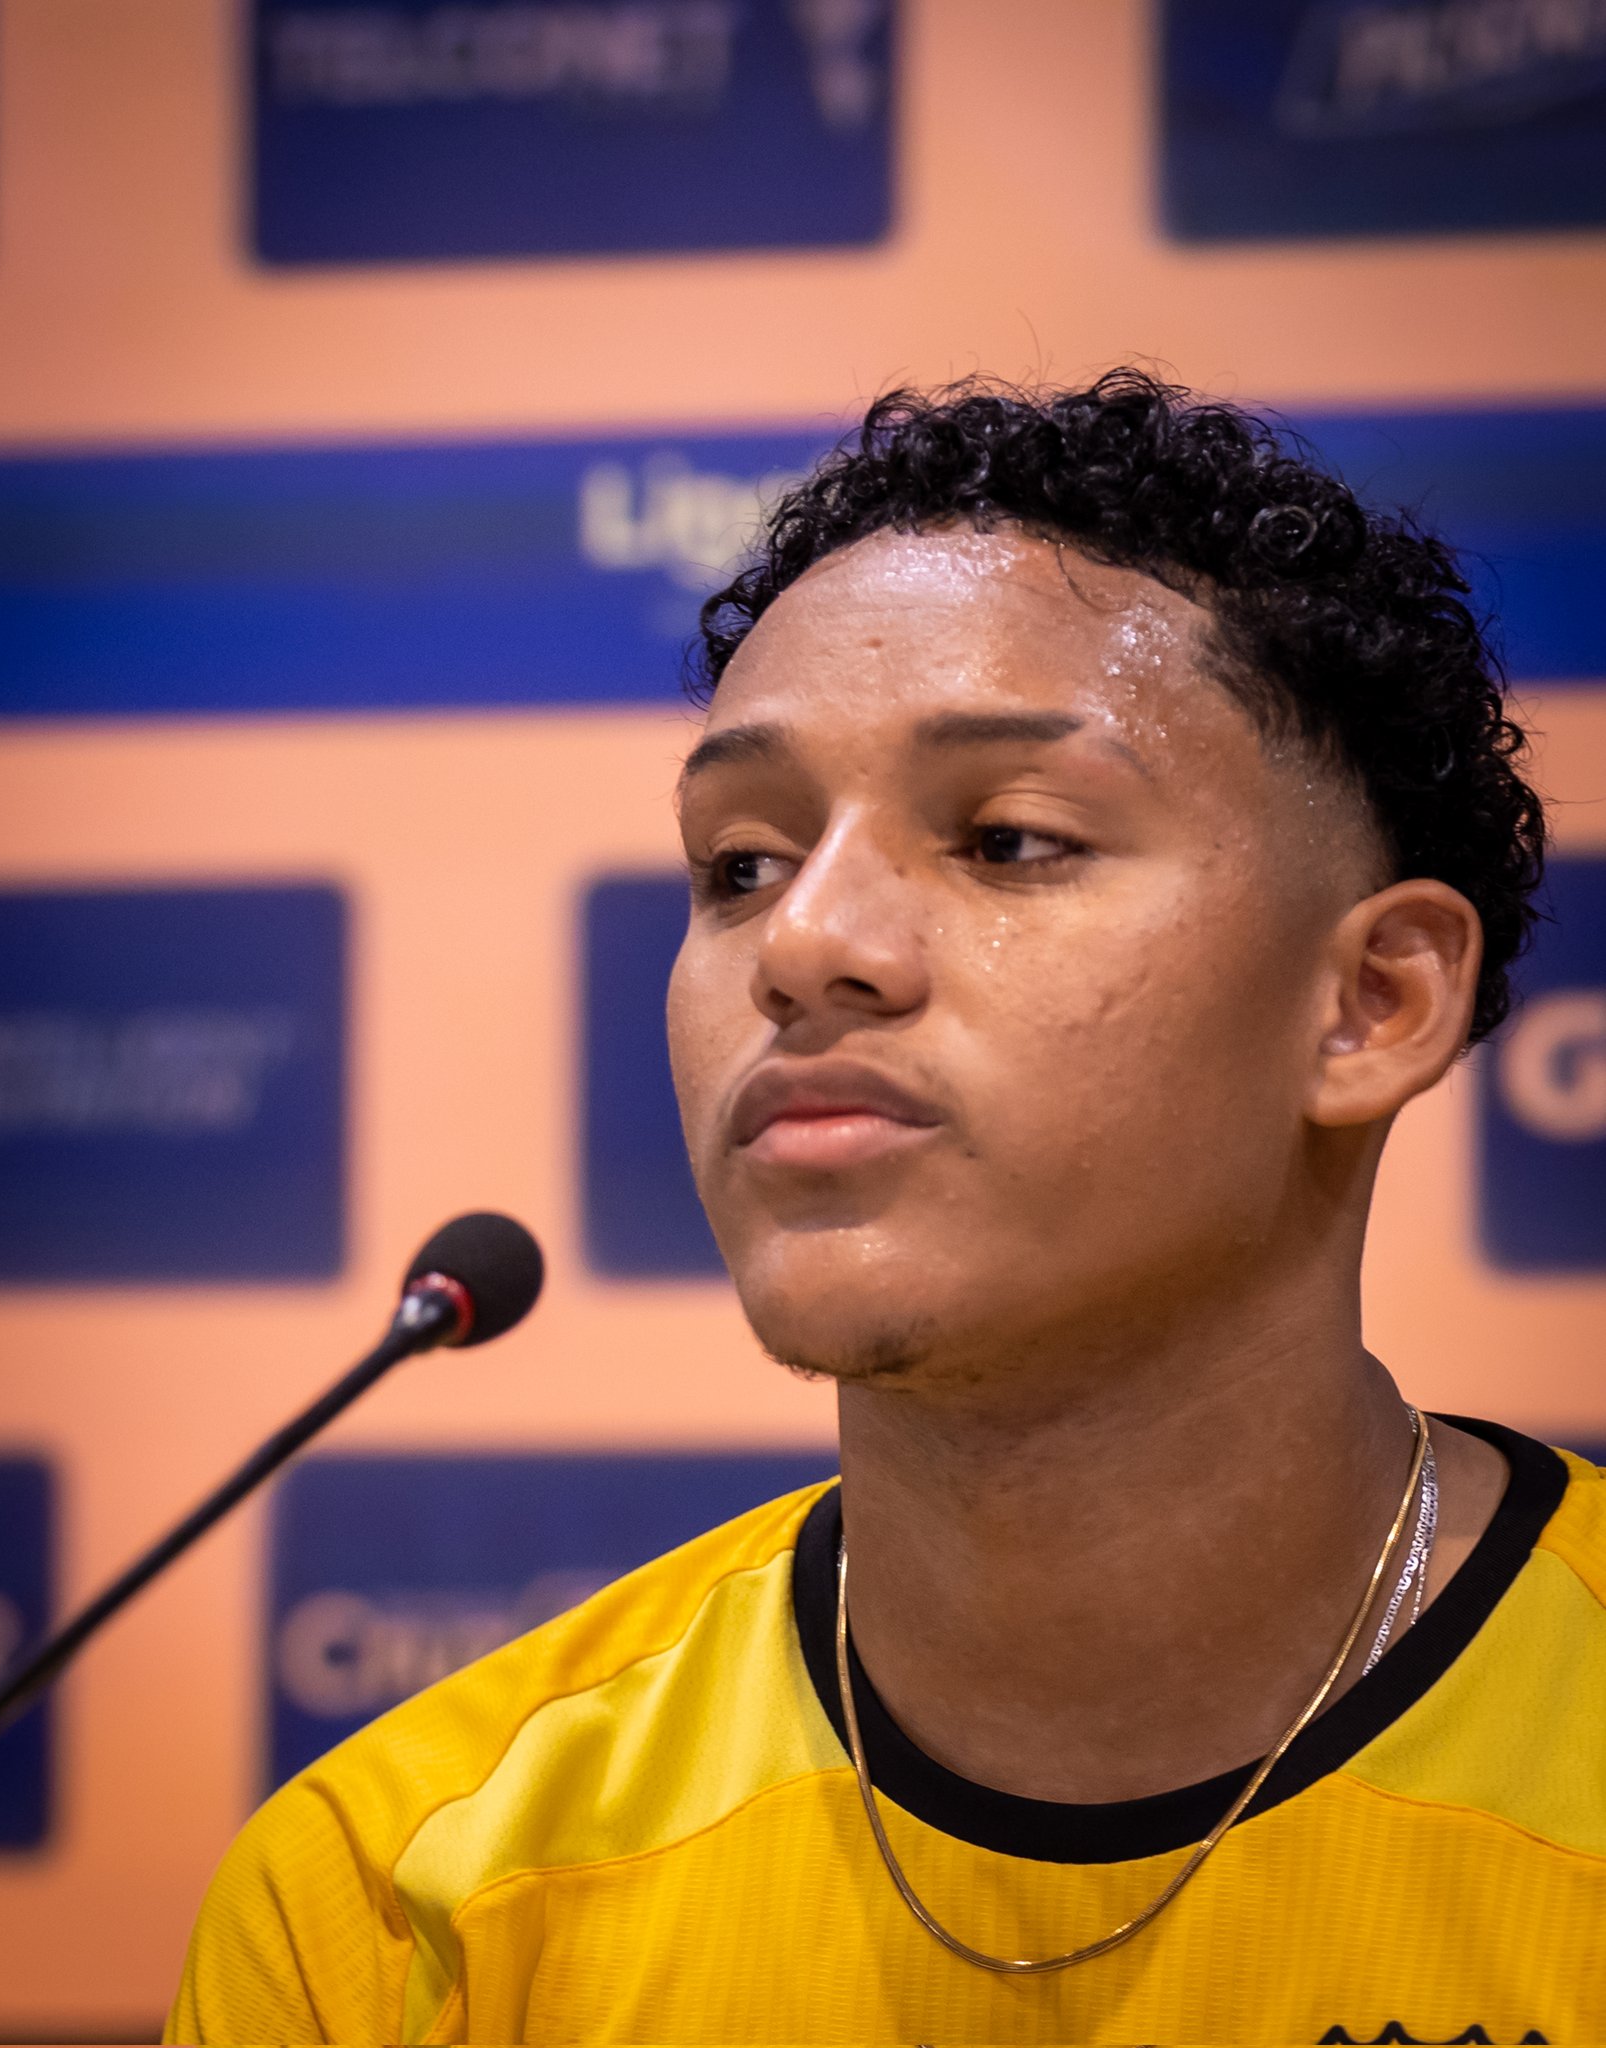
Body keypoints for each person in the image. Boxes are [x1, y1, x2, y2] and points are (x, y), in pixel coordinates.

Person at [166, 372, 1601, 2047]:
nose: (800, 945)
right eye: (741, 864)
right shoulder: (392, 1905)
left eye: (1008, 840)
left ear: (1370, 1003)